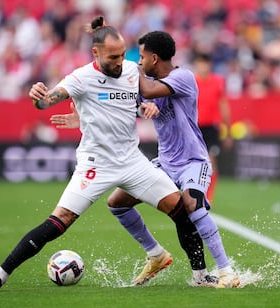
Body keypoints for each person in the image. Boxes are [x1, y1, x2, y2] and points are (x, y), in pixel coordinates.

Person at [0, 16, 192, 292]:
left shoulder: (129, 71)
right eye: (113, 56)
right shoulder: (80, 78)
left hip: (132, 160)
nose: (120, 60)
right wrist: (38, 97)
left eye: (123, 54)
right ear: (96, 53)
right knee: (59, 221)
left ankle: (200, 275)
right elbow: (47, 100)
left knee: (181, 211)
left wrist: (145, 108)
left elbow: (132, 102)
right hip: (95, 164)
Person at [50, 31, 240, 289]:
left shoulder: (182, 77)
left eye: (140, 57)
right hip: (165, 162)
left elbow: (148, 91)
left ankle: (226, 270)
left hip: (192, 161)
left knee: (192, 204)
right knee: (117, 203)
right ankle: (155, 255)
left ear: (154, 57)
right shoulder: (146, 80)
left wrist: (128, 67)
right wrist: (83, 120)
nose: (137, 62)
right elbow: (124, 107)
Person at [193, 53, 232, 204]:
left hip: (211, 127)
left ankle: (209, 196)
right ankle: (196, 192)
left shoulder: (217, 82)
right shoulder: (192, 82)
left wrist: (228, 132)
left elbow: (224, 106)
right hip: (194, 127)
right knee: (194, 162)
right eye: (200, 63)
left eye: (205, 63)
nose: (203, 66)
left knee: (211, 161)